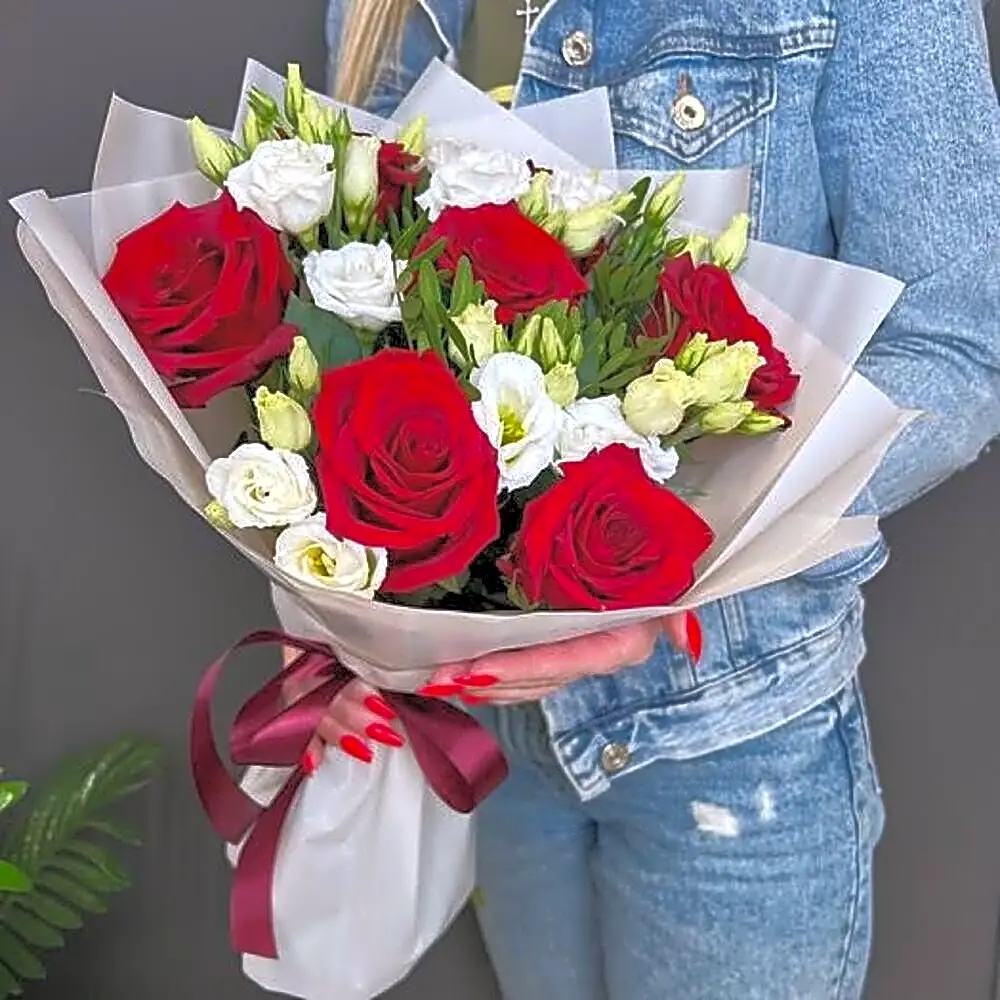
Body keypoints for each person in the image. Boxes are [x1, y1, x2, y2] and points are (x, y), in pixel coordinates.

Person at [297, 2, 1000, 997]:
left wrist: (659, 555)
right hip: (490, 745)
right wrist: (340, 619)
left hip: (727, 739)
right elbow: (345, 318)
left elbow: (959, 343)